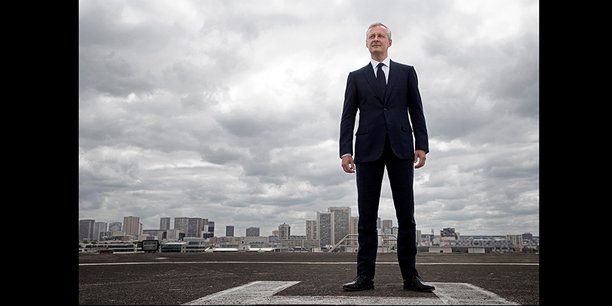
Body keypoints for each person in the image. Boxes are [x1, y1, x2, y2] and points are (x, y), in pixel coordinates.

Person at [339, 22, 435, 292]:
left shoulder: (406, 73)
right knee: (367, 218)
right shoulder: (356, 77)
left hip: (401, 147)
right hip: (367, 151)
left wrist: (422, 144)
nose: (376, 39)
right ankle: (364, 277)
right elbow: (348, 116)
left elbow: (417, 110)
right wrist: (345, 150)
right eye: (371, 36)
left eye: (381, 36)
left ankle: (410, 277)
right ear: (366, 43)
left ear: (389, 42)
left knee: (407, 216)